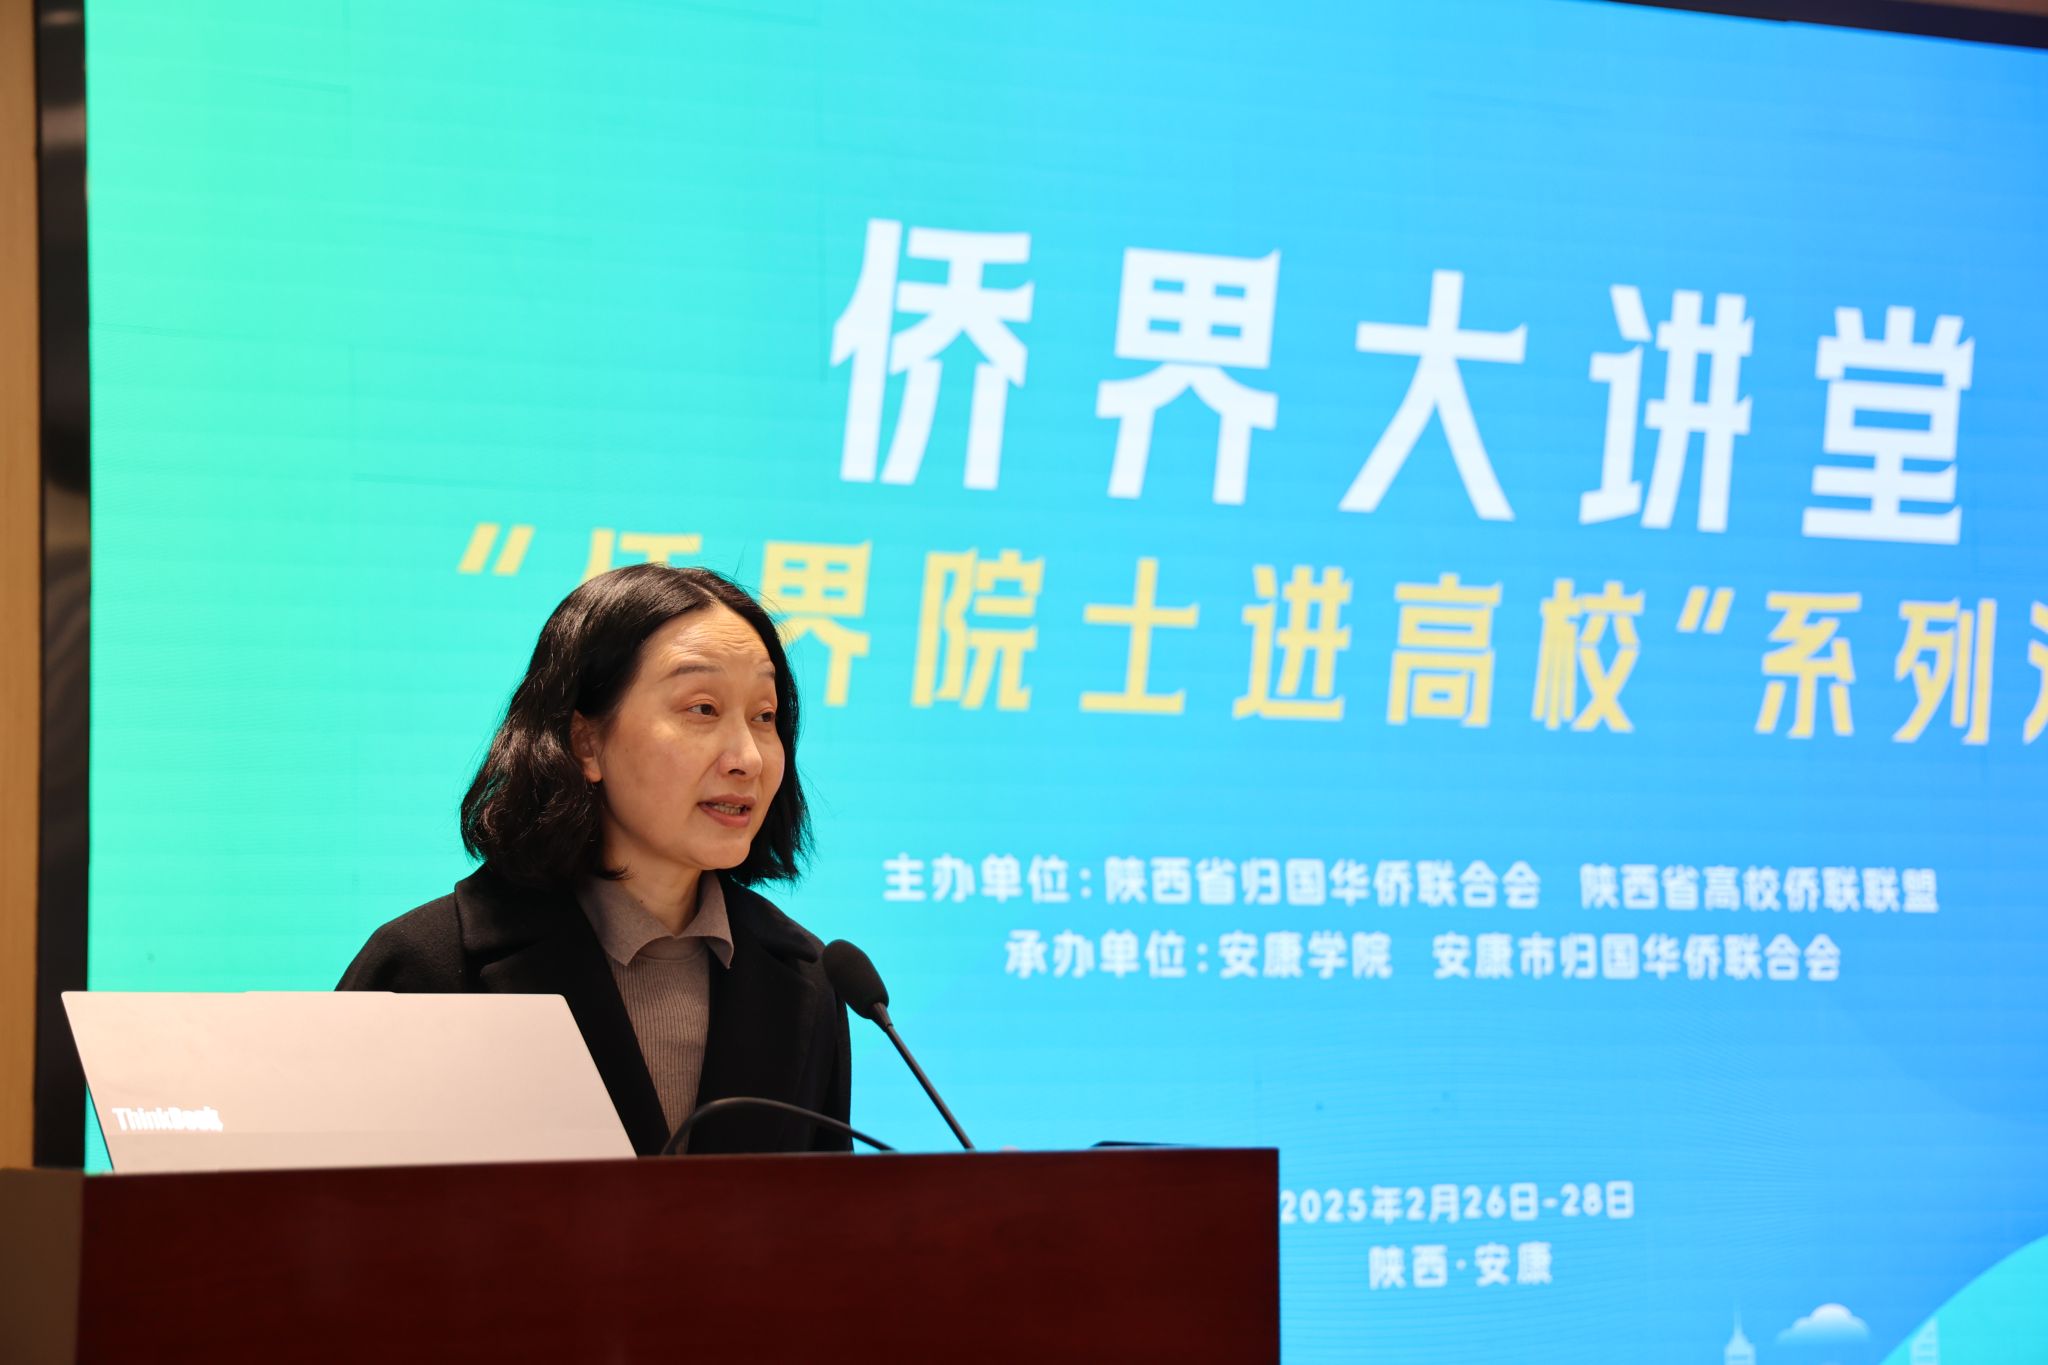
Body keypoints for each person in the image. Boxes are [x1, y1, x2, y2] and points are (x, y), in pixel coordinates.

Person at [338, 564, 850, 1155]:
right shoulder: (423, 968)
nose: (748, 759)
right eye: (703, 709)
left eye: (764, 717)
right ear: (585, 741)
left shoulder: (808, 977)